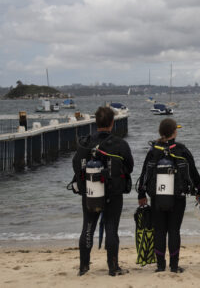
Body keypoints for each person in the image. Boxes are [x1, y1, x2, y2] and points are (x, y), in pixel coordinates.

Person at [72, 106, 134, 276]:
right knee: (111, 228)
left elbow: (76, 164)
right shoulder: (120, 144)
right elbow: (130, 166)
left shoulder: (85, 143)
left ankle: (84, 267)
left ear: (96, 122)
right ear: (112, 123)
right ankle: (113, 267)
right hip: (113, 193)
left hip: (90, 192)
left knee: (88, 227)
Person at [137, 118, 200, 273]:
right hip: (177, 197)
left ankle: (160, 266)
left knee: (159, 230)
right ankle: (174, 266)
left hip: (157, 197)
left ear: (161, 132)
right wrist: (199, 191)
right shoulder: (181, 150)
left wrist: (141, 193)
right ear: (174, 132)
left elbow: (144, 174)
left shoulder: (154, 151)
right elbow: (193, 172)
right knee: (174, 230)